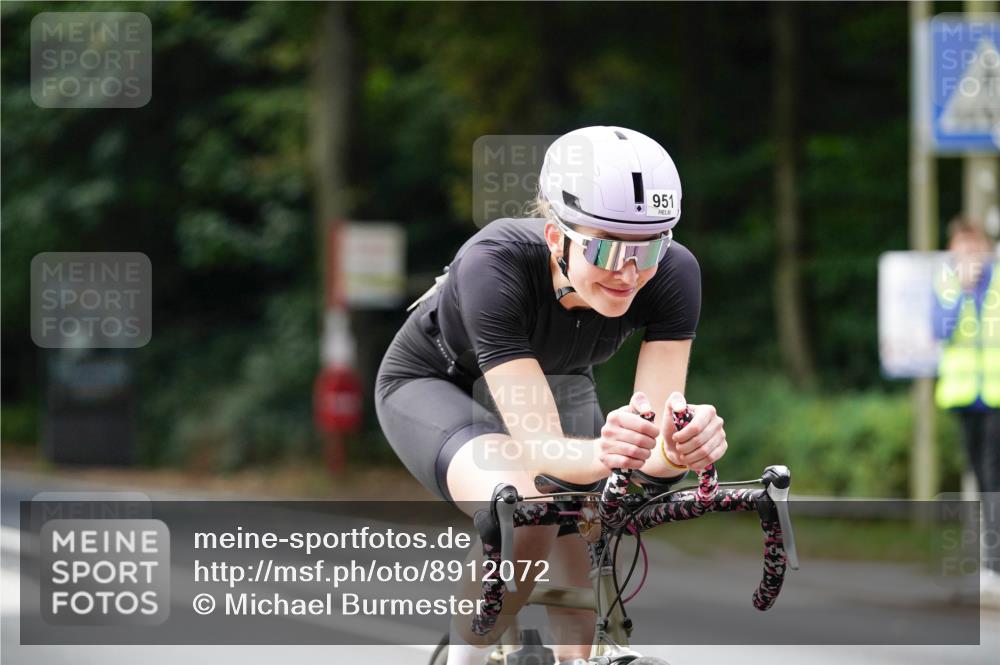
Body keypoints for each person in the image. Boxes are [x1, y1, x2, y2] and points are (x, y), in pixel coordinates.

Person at [375, 126, 729, 665]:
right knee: (526, 508)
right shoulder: (493, 262)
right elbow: (539, 450)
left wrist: (678, 450)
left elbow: (651, 442)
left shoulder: (674, 273)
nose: (630, 272)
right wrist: (606, 454)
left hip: (560, 381)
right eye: (607, 247)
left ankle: (578, 658)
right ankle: (463, 659)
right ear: (554, 236)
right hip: (436, 381)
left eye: (652, 244)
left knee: (592, 526)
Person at [931, 217, 1000, 593]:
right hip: (964, 397)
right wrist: (962, 289)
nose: (968, 255)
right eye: (961, 247)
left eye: (974, 247)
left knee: (992, 478)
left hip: (996, 397)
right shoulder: (946, 283)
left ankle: (994, 566)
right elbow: (940, 329)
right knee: (981, 476)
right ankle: (990, 563)